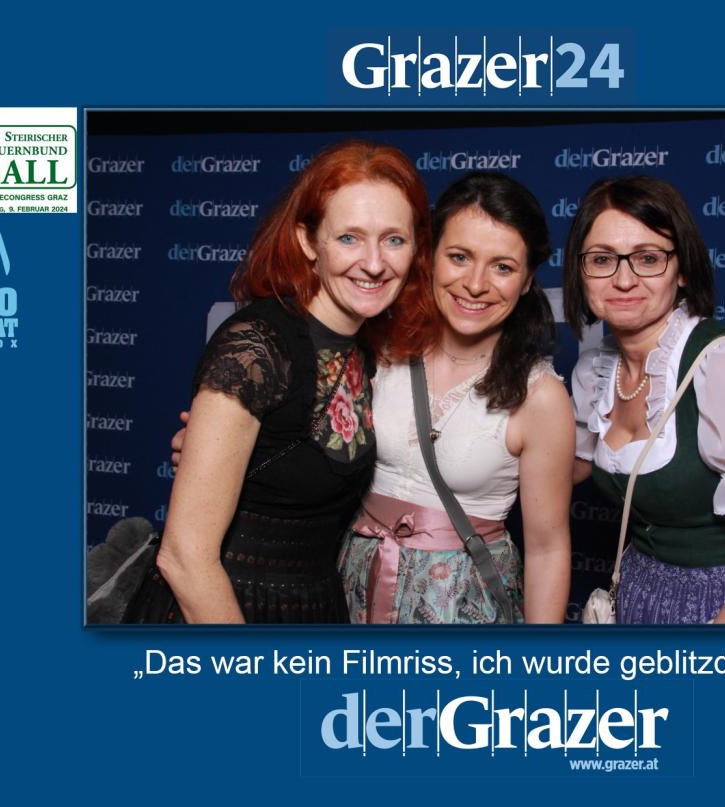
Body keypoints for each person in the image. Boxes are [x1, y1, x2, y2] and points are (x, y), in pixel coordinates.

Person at [124, 140, 435, 624]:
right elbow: (184, 557)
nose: (375, 263)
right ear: (308, 242)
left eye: (394, 239)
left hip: (311, 608)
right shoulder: (260, 345)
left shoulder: (366, 349)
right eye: (349, 238)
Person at [564, 176, 725, 624]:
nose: (623, 279)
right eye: (602, 259)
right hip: (640, 594)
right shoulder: (596, 372)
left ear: (682, 270)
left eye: (648, 258)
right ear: (581, 272)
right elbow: (563, 469)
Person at [338, 172, 574, 624]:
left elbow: (548, 549)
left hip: (463, 608)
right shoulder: (379, 350)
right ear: (430, 257)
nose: (476, 284)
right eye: (459, 257)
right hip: (354, 589)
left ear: (527, 280)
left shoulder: (540, 396)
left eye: (502, 267)